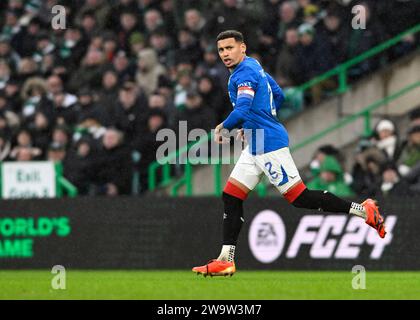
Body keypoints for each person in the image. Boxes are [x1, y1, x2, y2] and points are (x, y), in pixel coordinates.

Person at [192, 30, 386, 277]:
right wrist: (253, 123)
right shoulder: (254, 65)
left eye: (230, 48)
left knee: (300, 198)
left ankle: (363, 210)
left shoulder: (245, 73)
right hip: (256, 143)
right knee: (231, 196)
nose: (225, 54)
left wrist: (224, 127)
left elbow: (241, 109)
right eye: (221, 50)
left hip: (268, 145)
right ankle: (225, 259)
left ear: (243, 47)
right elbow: (279, 94)